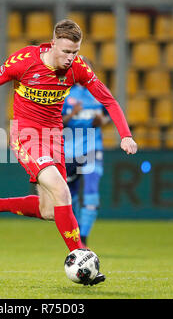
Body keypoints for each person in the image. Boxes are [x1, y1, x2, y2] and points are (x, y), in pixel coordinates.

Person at [0, 19, 138, 285]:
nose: (70, 58)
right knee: (62, 191)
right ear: (53, 43)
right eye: (65, 51)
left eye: (75, 52)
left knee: (49, 210)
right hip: (26, 135)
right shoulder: (25, 61)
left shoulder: (79, 68)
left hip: (54, 137)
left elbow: (107, 99)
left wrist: (125, 135)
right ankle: (81, 255)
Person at [62, 59, 110, 248]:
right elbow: (57, 123)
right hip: (67, 152)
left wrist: (101, 121)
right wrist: (72, 114)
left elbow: (107, 118)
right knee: (69, 198)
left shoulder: (99, 91)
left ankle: (84, 239)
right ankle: (75, 239)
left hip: (92, 148)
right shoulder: (63, 92)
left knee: (91, 194)